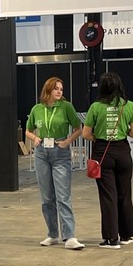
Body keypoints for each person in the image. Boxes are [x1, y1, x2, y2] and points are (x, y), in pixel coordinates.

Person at [82, 72, 133, 249]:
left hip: (103, 152)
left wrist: (100, 137)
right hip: (123, 152)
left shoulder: (95, 107)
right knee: (124, 194)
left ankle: (111, 238)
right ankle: (126, 234)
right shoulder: (129, 106)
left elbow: (86, 134)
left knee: (108, 196)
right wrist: (123, 132)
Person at [25, 75, 85, 250]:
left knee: (63, 196)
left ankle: (70, 236)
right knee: (46, 197)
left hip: (60, 151)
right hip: (41, 152)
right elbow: (28, 130)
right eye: (56, 88)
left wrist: (67, 142)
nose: (59, 91)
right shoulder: (37, 109)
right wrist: (35, 138)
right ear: (48, 90)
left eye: (61, 89)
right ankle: (52, 234)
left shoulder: (66, 107)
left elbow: (78, 129)